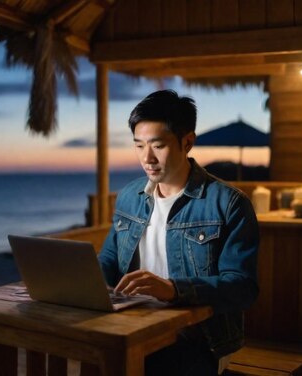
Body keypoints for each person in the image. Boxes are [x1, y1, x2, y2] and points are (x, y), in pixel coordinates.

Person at [98, 89, 259, 375]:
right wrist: (80, 284)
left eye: (157, 145)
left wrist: (173, 290)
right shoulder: (128, 197)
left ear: (187, 142)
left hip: (197, 339)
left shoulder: (229, 204)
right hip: (131, 327)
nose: (147, 158)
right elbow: (110, 259)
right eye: (138, 146)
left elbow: (242, 288)